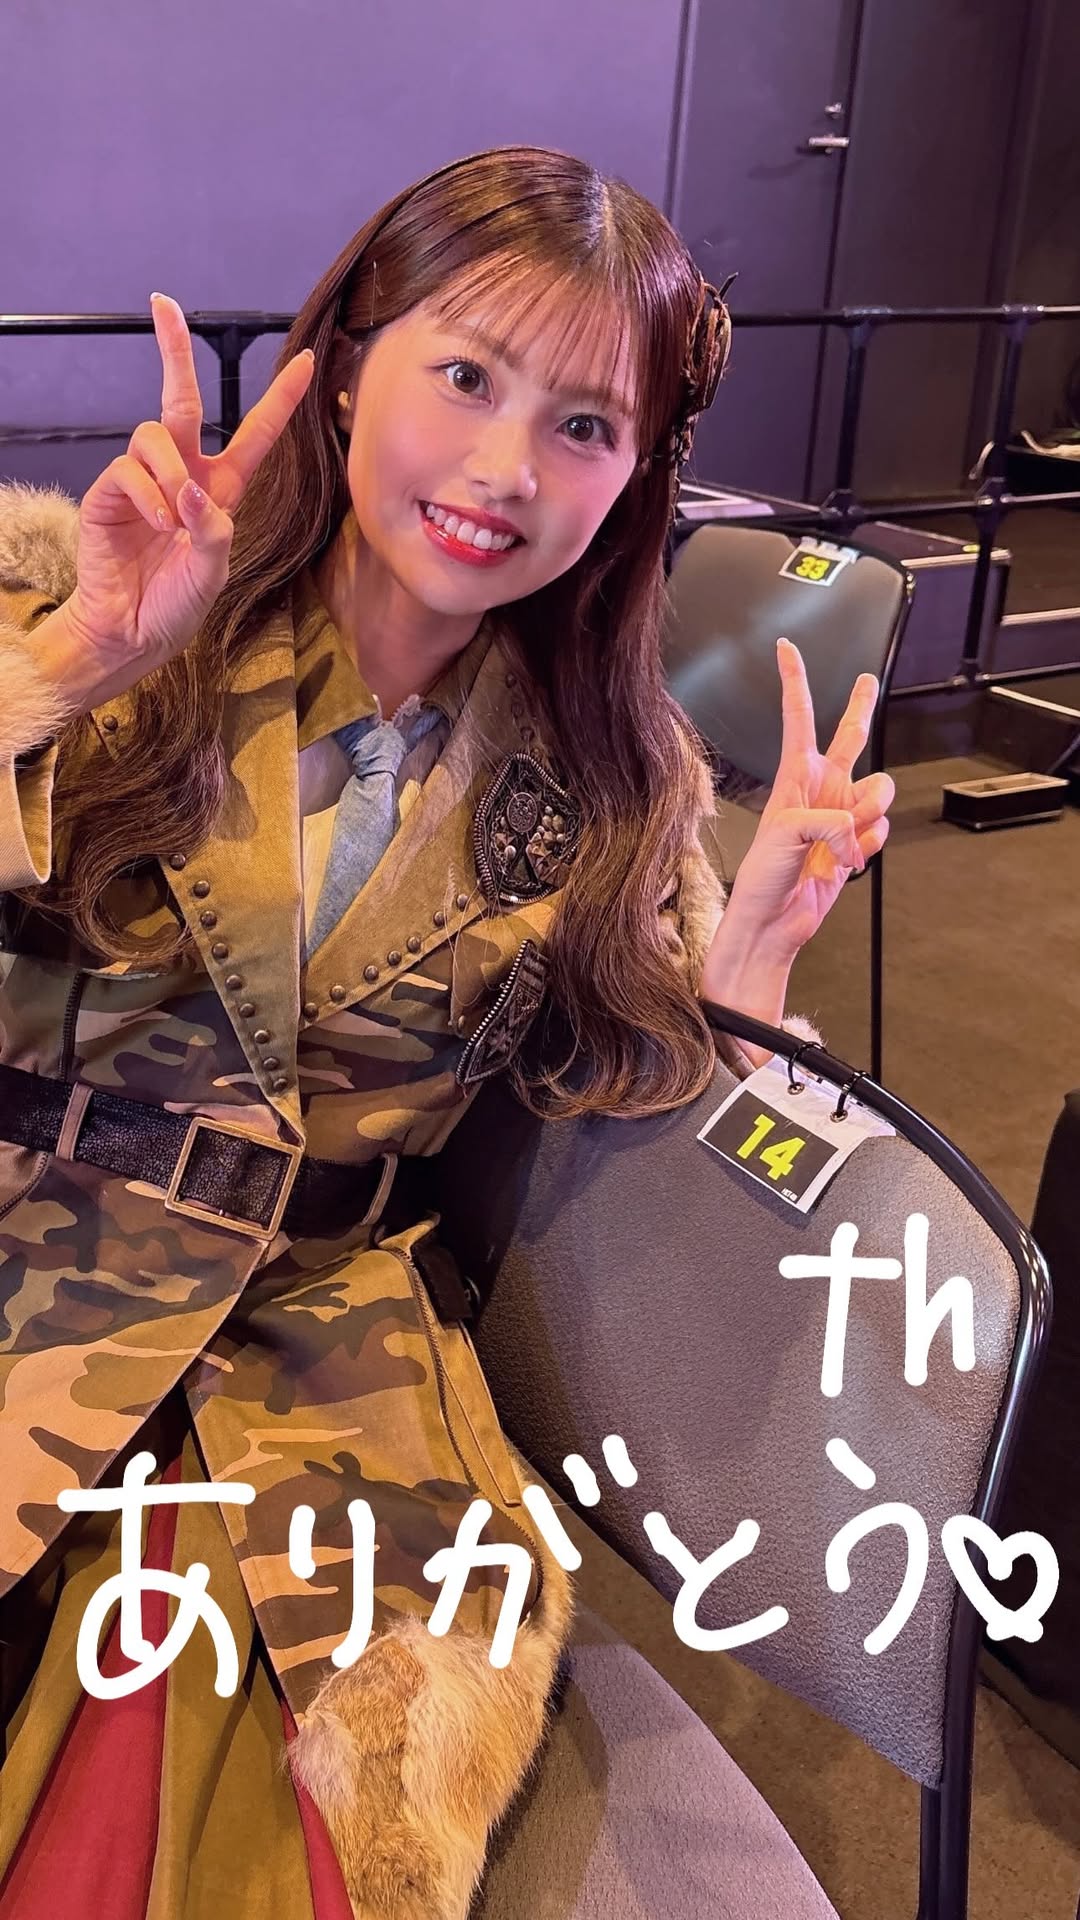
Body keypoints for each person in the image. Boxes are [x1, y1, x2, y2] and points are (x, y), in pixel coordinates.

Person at [0, 145, 893, 1918]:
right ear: (346, 370)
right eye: (467, 375)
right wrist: (67, 671)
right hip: (35, 1267)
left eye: (584, 424)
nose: (504, 471)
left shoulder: (617, 786)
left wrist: (750, 967)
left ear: (635, 479)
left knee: (236, 1847)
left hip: (312, 1365)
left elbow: (637, 1128)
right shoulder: (83, 598)